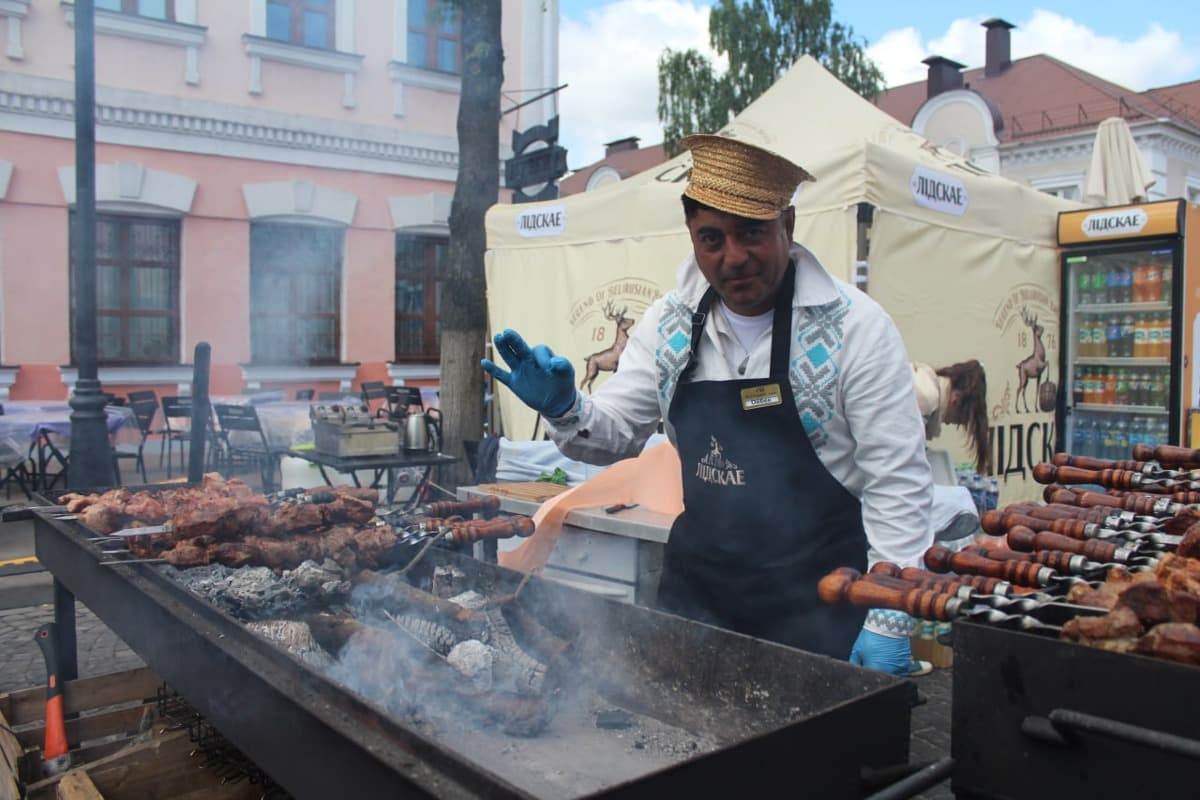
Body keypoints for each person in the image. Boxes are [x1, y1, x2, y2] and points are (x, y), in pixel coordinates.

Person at [482, 132, 933, 674]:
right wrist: (565, 409)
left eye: (751, 234)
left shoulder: (856, 329)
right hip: (697, 604)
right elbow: (614, 434)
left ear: (787, 225)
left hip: (819, 610)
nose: (733, 258)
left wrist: (888, 615)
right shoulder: (669, 323)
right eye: (712, 238)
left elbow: (897, 483)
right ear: (691, 235)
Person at [912, 360, 989, 474]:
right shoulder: (926, 400)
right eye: (957, 419)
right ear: (956, 399)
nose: (947, 423)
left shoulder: (923, 380)